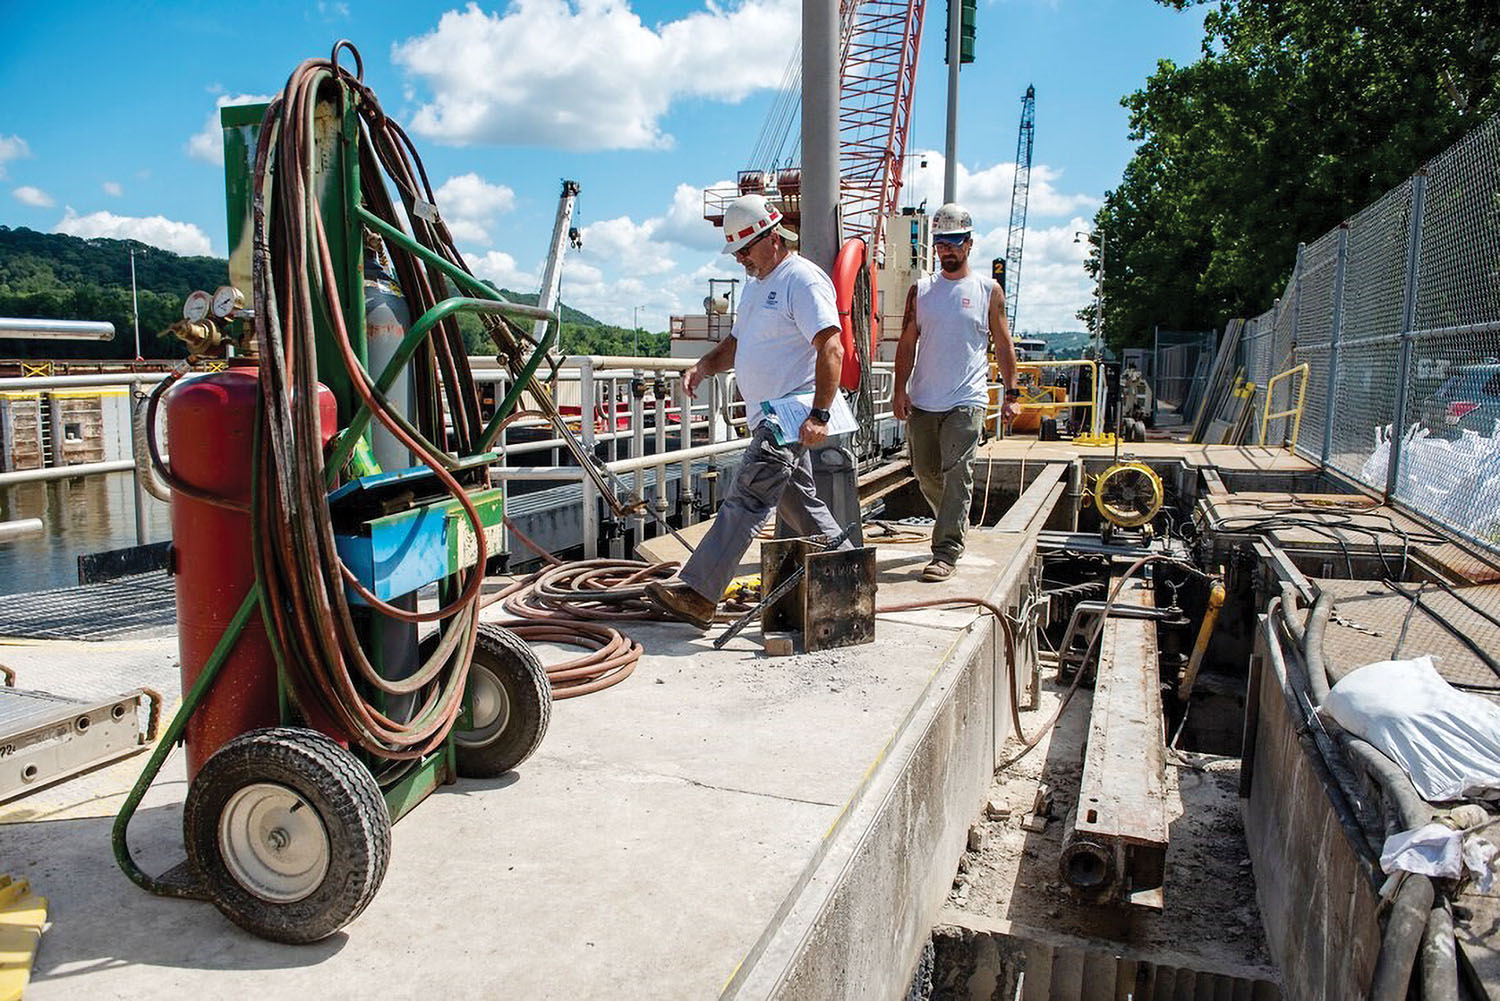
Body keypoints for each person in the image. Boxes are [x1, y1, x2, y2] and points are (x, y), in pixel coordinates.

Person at [645, 194, 848, 629]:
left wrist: (820, 414)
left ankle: (700, 593)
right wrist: (704, 365)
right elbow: (737, 345)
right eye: (736, 252)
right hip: (766, 416)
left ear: (773, 238)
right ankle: (848, 566)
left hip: (787, 416)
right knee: (801, 505)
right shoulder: (758, 286)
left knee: (747, 496)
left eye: (746, 248)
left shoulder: (802, 280)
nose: (740, 259)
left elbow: (832, 346)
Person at [891, 203, 1018, 582]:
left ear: (969, 243)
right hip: (925, 400)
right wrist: (900, 389)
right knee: (926, 472)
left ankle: (946, 551)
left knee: (958, 472)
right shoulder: (922, 291)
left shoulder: (986, 291)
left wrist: (1011, 393)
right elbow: (906, 342)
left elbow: (1003, 343)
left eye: (955, 242)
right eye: (941, 242)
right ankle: (952, 519)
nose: (947, 249)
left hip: (967, 400)